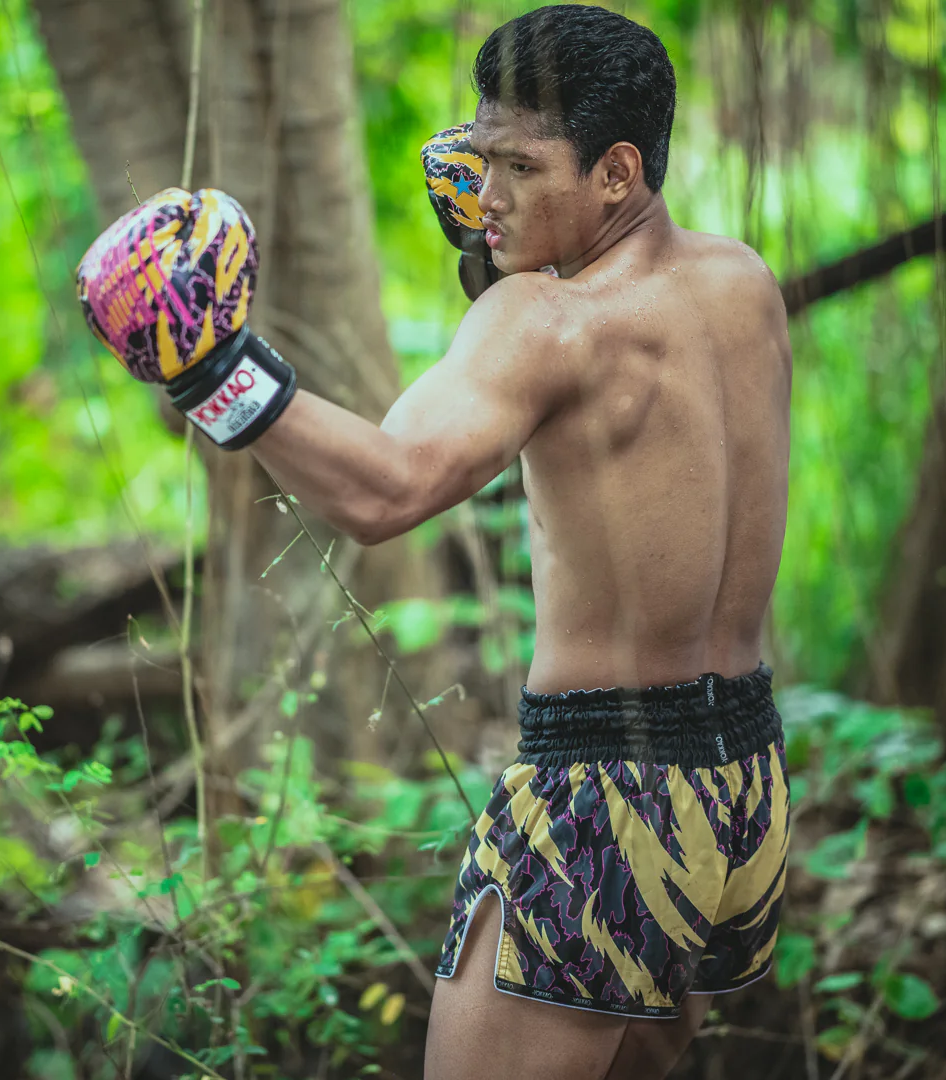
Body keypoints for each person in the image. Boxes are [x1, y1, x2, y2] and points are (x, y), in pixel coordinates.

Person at [75, 7, 793, 1077]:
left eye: (519, 166)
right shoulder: (742, 280)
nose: (487, 194)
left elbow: (386, 490)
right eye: (477, 157)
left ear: (617, 172)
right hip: (744, 785)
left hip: (605, 795)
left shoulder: (544, 324)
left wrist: (209, 367)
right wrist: (503, 251)